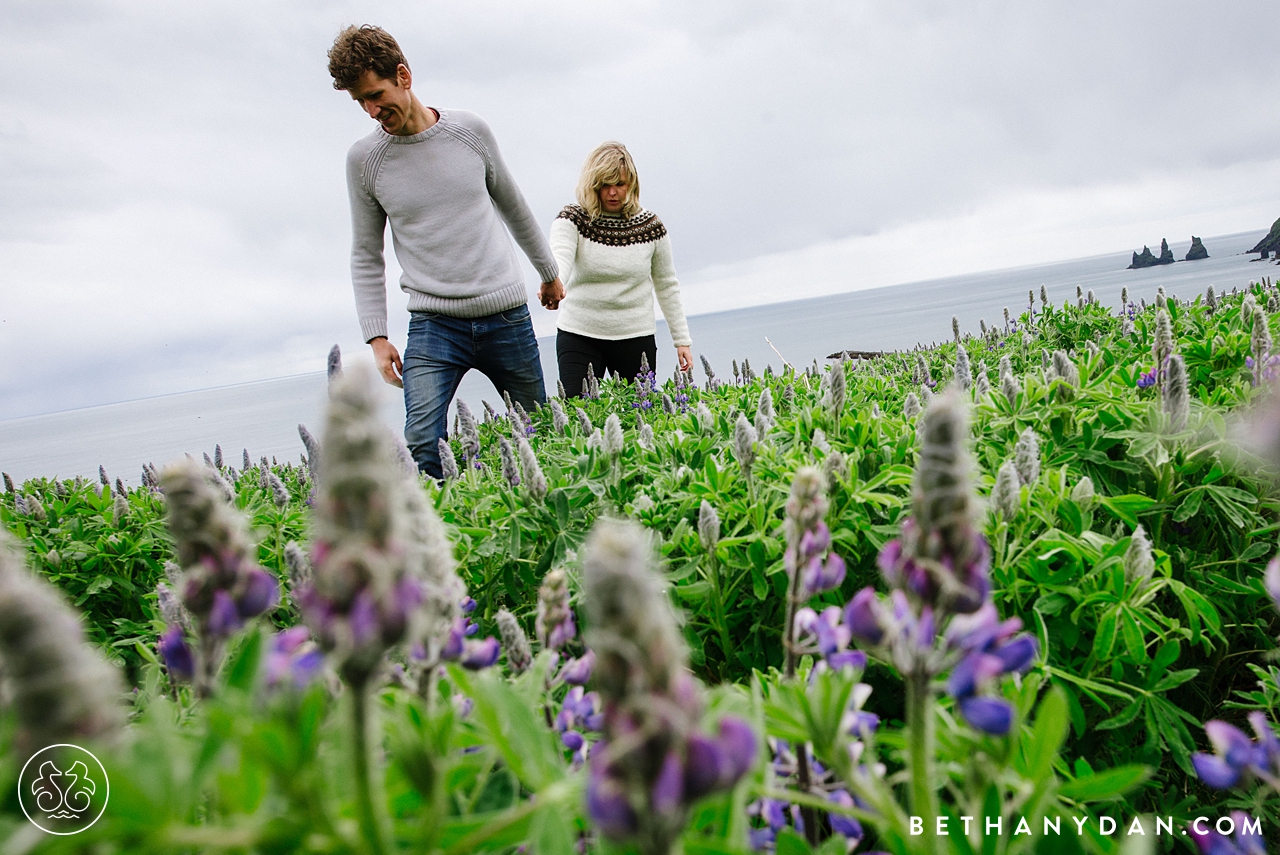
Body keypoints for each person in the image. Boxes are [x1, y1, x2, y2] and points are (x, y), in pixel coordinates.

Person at [328, 25, 566, 478]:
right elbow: (365, 253)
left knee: (544, 434)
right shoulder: (364, 161)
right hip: (434, 327)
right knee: (421, 444)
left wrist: (548, 272)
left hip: (506, 316)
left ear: (403, 75)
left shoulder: (470, 130)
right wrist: (376, 337)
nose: (372, 110)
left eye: (376, 94)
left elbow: (513, 205)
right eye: (361, 101)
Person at [549, 142, 692, 397]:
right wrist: (553, 282)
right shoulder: (573, 219)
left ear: (632, 184)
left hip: (635, 337)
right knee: (576, 415)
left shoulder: (651, 226)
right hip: (579, 334)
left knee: (640, 418)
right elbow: (561, 258)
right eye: (605, 184)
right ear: (592, 185)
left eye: (620, 184)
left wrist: (682, 340)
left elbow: (667, 283)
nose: (613, 192)